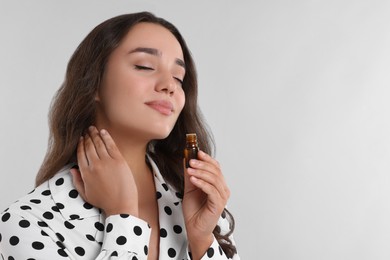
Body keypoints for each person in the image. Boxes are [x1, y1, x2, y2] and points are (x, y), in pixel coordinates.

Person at [0, 12, 239, 260]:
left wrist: (201, 240)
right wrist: (123, 215)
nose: (169, 85)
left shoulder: (197, 200)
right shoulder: (29, 222)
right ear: (93, 82)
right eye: (144, 66)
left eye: (179, 78)